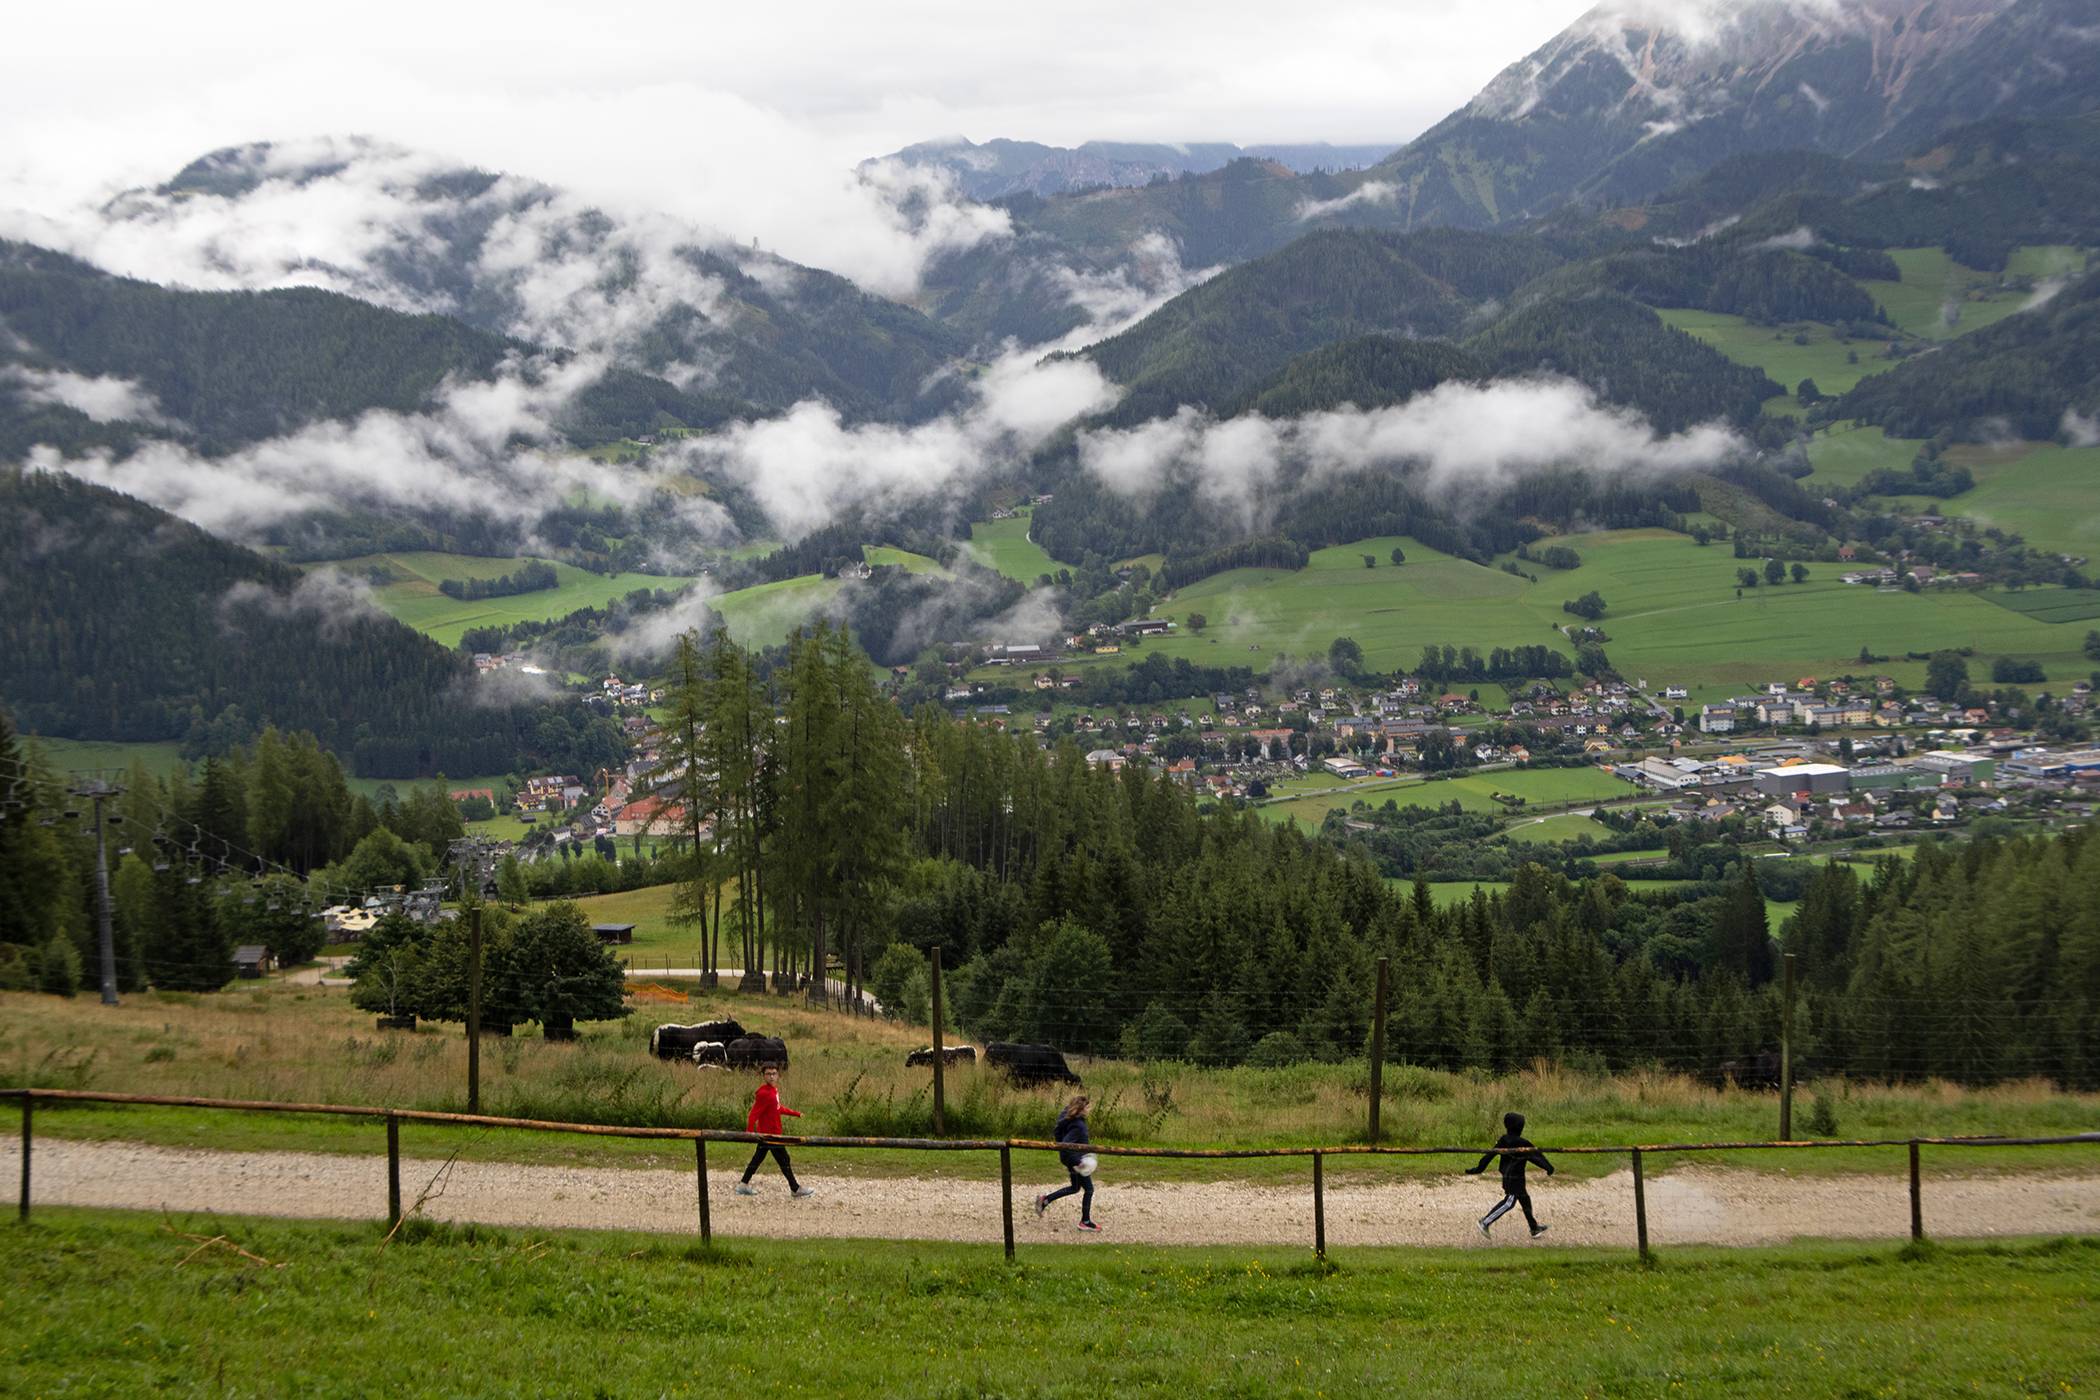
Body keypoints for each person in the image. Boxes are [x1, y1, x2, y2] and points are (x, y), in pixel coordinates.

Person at [1465, 1111, 1552, 1238]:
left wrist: (1479, 1168)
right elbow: (1536, 1156)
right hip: (1514, 1177)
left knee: (1525, 1200)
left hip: (1510, 1175)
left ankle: (1534, 1228)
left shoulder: (1503, 1140)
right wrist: (1548, 1167)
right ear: (1520, 1127)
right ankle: (1485, 1222)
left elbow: (1489, 1155)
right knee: (1509, 1202)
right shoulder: (1522, 1142)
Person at [734, 1064, 814, 1198]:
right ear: (763, 1076)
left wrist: (796, 1113)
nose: (771, 1076)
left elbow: (778, 1108)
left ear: (778, 1075)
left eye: (774, 1073)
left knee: (758, 1159)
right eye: (768, 1074)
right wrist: (749, 1132)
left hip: (774, 1133)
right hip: (769, 1135)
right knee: (784, 1159)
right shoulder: (763, 1093)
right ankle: (795, 1189)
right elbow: (754, 1113)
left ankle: (743, 1184)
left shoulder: (773, 1091)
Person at [1032, 1093, 1100, 1232]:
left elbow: (1059, 1136)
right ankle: (1085, 1222)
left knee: (1075, 1188)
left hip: (1071, 1159)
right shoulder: (1078, 1125)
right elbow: (1066, 1144)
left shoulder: (1067, 1118)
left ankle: (1045, 1200)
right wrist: (1078, 1162)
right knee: (1089, 1189)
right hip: (1076, 1161)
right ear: (1082, 1109)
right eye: (1088, 1107)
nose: (1089, 1110)